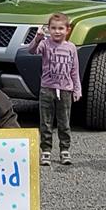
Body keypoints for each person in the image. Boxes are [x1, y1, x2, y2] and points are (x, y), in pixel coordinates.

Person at [28, 13, 81, 166]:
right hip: (47, 89)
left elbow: (74, 70)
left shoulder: (71, 48)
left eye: (60, 28)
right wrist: (37, 37)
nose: (57, 32)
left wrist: (77, 89)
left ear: (67, 30)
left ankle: (65, 150)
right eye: (53, 28)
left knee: (64, 121)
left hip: (65, 90)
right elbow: (31, 50)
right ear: (48, 29)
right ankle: (46, 151)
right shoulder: (45, 44)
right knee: (46, 121)